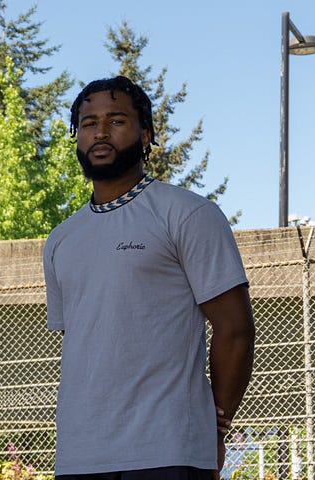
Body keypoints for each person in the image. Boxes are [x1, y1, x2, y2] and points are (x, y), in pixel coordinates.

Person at [42, 76, 256, 480]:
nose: (100, 131)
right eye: (88, 123)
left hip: (169, 448)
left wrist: (216, 429)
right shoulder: (60, 240)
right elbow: (84, 341)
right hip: (80, 453)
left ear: (145, 135)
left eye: (116, 120)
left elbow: (235, 330)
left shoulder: (188, 214)